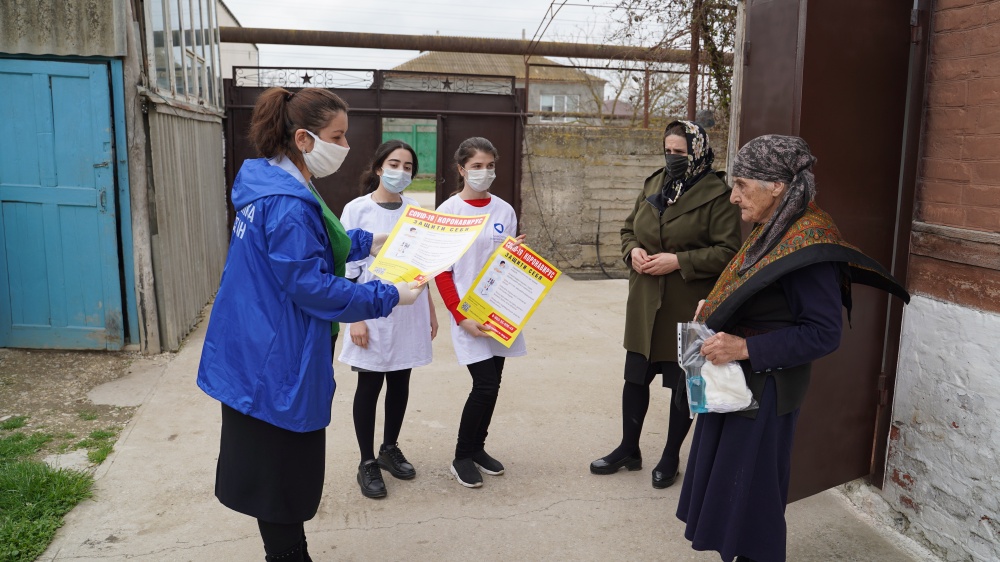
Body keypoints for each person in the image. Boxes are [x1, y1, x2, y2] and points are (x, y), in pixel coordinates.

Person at [196, 87, 425, 562]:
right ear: (303, 138)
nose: (344, 147)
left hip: (250, 346)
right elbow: (312, 287)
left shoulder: (269, 180)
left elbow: (316, 239)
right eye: (337, 136)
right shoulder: (288, 202)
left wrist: (367, 241)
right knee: (281, 483)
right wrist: (388, 296)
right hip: (276, 360)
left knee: (269, 475)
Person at [676, 135, 909, 562]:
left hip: (765, 392)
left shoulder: (809, 244)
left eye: (742, 185)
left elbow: (823, 333)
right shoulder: (774, 226)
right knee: (733, 492)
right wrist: (715, 307)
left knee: (754, 499)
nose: (733, 197)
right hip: (738, 383)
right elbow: (758, 290)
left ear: (776, 185)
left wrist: (744, 347)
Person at [590, 120, 741, 489]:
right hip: (644, 300)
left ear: (698, 152)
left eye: (680, 153)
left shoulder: (717, 194)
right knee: (634, 377)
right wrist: (633, 252)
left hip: (685, 303)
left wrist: (679, 261)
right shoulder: (654, 184)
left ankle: (671, 455)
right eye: (668, 151)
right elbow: (628, 230)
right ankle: (629, 448)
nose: (672, 158)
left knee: (682, 384)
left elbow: (729, 251)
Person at [339, 140, 438, 499]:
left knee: (400, 380)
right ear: (379, 167)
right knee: (369, 385)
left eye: (408, 166)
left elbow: (424, 265)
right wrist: (356, 318)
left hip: (409, 309)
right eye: (394, 163)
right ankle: (366, 461)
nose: (401, 171)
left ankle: (389, 448)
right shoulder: (356, 210)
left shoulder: (417, 210)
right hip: (368, 309)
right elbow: (346, 266)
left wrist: (430, 308)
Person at [434, 137, 526, 489]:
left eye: (490, 165)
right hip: (468, 314)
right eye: (476, 166)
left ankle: (477, 449)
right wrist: (460, 316)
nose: (484, 172)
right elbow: (442, 271)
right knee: (484, 384)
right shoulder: (448, 212)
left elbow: (506, 263)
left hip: (499, 313)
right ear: (461, 169)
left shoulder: (504, 210)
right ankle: (461, 456)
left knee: (494, 384)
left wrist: (518, 255)